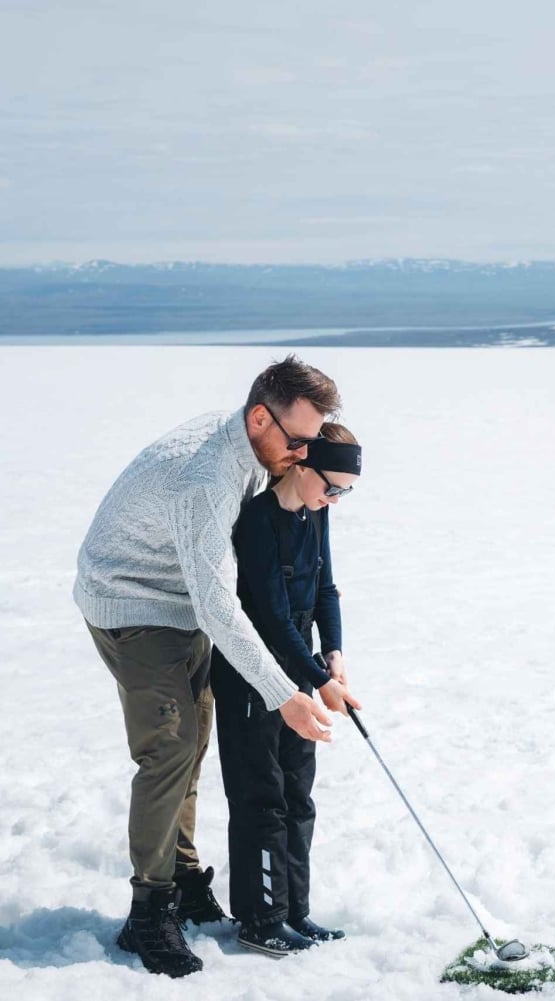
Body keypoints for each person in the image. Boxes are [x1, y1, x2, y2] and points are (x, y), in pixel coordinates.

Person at [74, 356, 342, 978]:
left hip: (181, 602)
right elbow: (217, 602)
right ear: (258, 416)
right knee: (167, 750)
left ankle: (185, 877)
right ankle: (149, 911)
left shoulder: (251, 446)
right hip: (132, 602)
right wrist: (284, 693)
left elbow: (212, 593)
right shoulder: (208, 478)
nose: (303, 456)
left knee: (190, 747)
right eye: (297, 441)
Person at [212, 425, 363, 957]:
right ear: (301, 467)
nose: (336, 499)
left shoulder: (314, 512)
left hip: (299, 667)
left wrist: (334, 656)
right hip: (252, 673)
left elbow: (324, 589)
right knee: (262, 799)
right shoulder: (257, 520)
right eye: (333, 487)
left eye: (345, 491)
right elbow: (272, 617)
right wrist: (321, 681)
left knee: (298, 795)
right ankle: (260, 918)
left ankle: (293, 910)